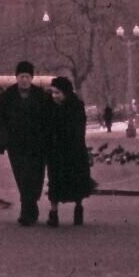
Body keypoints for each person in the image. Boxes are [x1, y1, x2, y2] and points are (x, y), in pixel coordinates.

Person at [0, 60, 50, 227]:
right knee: (22, 177)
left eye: (27, 76)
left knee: (36, 178)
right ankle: (27, 212)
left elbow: (48, 120)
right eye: (21, 76)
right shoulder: (6, 96)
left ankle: (30, 209)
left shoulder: (41, 96)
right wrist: (1, 143)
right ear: (16, 77)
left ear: (31, 78)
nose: (24, 79)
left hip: (37, 145)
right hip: (16, 145)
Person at [45, 77, 95, 227]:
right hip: (56, 150)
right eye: (52, 92)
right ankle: (54, 213)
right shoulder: (50, 106)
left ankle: (78, 208)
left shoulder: (76, 106)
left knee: (76, 180)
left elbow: (78, 129)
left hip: (73, 150)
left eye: (57, 93)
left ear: (66, 92)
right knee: (54, 181)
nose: (54, 96)